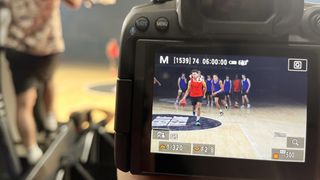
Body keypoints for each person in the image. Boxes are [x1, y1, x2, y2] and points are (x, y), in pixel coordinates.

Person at [5, 0, 82, 164]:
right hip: (47, 45)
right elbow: (75, 3)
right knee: (48, 80)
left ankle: (32, 151)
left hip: (17, 46)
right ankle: (50, 121)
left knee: (23, 104)